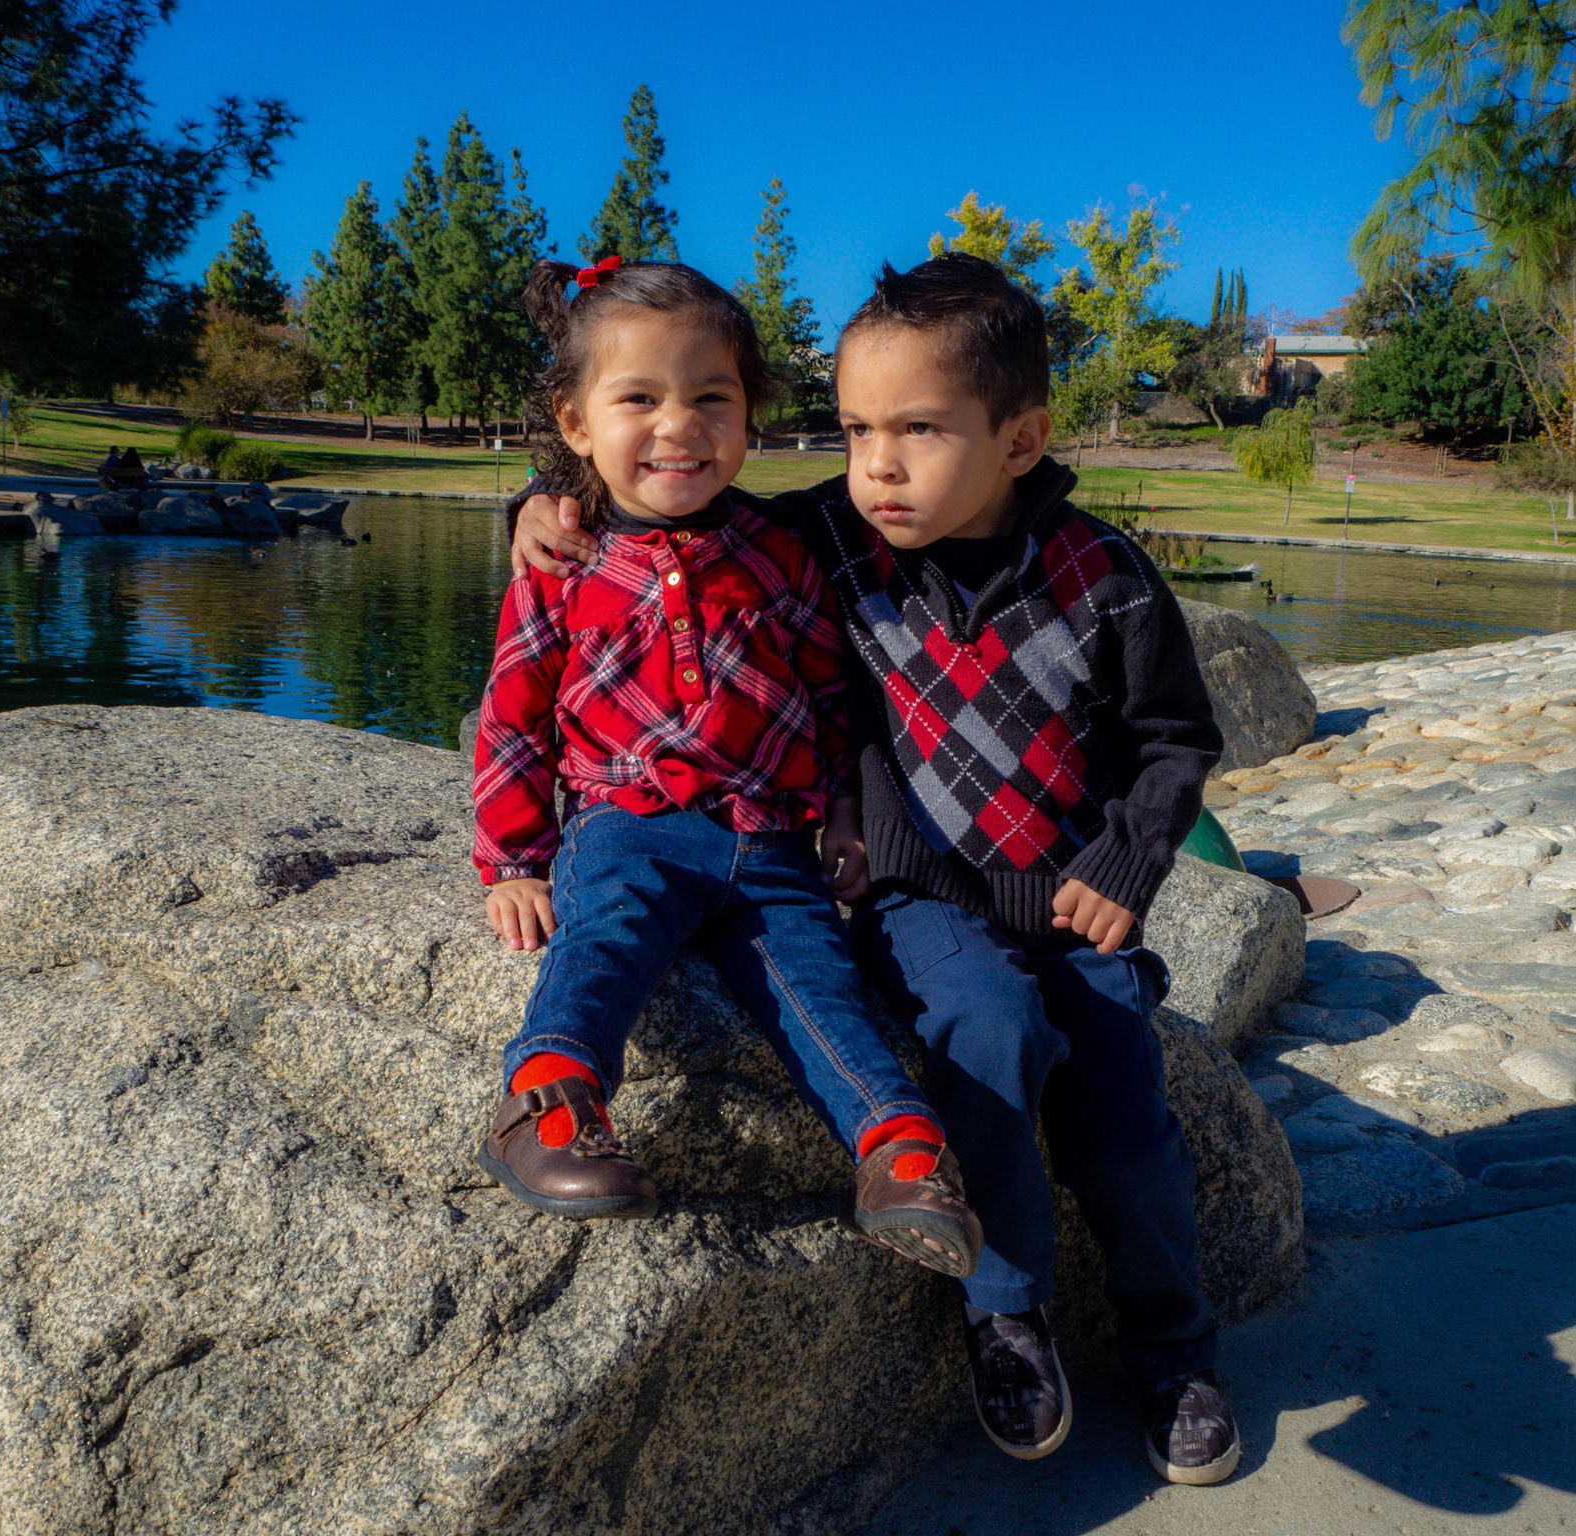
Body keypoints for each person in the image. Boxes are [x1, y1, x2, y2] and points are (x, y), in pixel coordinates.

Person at [511, 254, 1238, 1484]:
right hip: (922, 899)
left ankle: (1173, 1349)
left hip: (1077, 904)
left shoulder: (1103, 577)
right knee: (984, 1034)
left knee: (1125, 1126)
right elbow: (665, 495)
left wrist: (1127, 860)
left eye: (916, 430)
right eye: (854, 431)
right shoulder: (831, 539)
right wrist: (542, 505)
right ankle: (1003, 1312)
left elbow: (1174, 738)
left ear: (1019, 439)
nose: (877, 466)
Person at [470, 255, 983, 1281]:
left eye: (712, 398)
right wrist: (513, 861)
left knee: (818, 985)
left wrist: (844, 812)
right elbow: (513, 717)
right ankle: (548, 1102)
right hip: (628, 823)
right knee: (605, 938)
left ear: (750, 416)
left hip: (771, 839)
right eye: (638, 400)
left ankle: (898, 1152)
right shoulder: (564, 559)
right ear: (575, 422)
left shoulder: (780, 550)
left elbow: (831, 697)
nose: (679, 426)